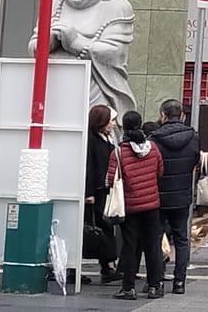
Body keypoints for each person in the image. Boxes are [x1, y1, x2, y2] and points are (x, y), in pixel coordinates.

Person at [113, 109, 167, 300]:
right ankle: (154, 286)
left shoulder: (119, 151)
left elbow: (111, 179)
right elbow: (160, 171)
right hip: (152, 203)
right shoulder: (153, 148)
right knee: (152, 244)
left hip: (129, 205)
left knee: (129, 246)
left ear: (124, 127)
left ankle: (128, 288)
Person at [151, 98, 203, 295]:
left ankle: (157, 281)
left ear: (163, 115)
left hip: (159, 195)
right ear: (182, 115)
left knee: (156, 238)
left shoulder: (154, 139)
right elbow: (195, 160)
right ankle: (180, 282)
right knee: (182, 239)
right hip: (182, 195)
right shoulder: (193, 137)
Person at [87, 104, 121, 282]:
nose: (114, 124)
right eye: (111, 120)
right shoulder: (91, 140)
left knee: (106, 227)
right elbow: (89, 167)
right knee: (99, 228)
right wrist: (89, 192)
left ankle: (108, 264)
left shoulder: (107, 139)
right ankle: (107, 265)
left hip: (106, 189)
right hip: (96, 192)